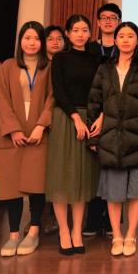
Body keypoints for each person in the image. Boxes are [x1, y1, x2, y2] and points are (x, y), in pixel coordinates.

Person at [88, 21, 138, 256]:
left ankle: (130, 235)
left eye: (131, 36)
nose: (126, 40)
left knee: (136, 192)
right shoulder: (105, 68)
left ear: (137, 40)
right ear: (115, 40)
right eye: (122, 36)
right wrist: (93, 136)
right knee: (114, 192)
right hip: (110, 137)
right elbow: (95, 102)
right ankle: (117, 236)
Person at [0, 21, 54, 257]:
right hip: (13, 134)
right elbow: (1, 100)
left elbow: (53, 98)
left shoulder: (49, 67)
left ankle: (33, 232)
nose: (32, 43)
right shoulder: (7, 66)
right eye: (27, 38)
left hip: (39, 132)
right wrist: (13, 129)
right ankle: (13, 235)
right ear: (20, 41)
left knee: (37, 185)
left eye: (37, 39)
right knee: (12, 187)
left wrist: (41, 125)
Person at [46, 14, 101, 255]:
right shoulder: (60, 58)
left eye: (84, 30)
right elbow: (59, 91)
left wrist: (98, 117)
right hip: (66, 118)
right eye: (76, 30)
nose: (80, 34)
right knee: (62, 176)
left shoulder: (96, 58)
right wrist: (76, 118)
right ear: (67, 34)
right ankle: (63, 231)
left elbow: (101, 91)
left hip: (90, 119)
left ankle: (77, 231)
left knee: (82, 177)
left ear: (90, 33)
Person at [84, 3, 122, 236]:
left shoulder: (124, 47)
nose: (108, 21)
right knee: (93, 166)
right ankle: (93, 219)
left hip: (118, 113)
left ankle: (112, 221)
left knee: (115, 166)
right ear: (97, 22)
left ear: (119, 21)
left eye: (113, 17)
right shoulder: (89, 49)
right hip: (92, 109)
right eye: (104, 18)